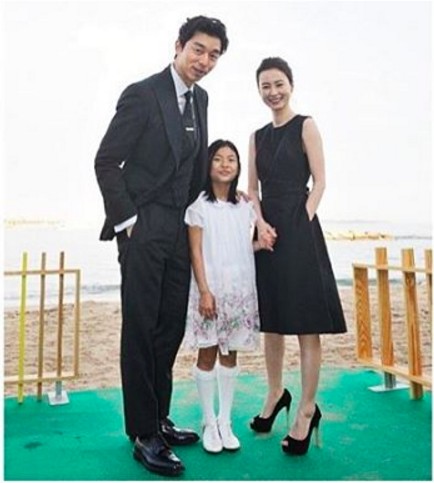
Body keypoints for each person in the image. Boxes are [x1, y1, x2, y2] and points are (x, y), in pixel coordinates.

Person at [94, 16, 229, 477]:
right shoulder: (142, 94)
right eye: (198, 50)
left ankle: (160, 418)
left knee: (169, 327)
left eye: (213, 55)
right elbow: (106, 161)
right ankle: (142, 433)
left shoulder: (201, 99)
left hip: (180, 228)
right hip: (144, 226)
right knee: (141, 328)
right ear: (178, 46)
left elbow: (193, 167)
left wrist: (223, 199)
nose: (204, 61)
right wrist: (129, 221)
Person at [247, 57, 347, 456]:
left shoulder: (306, 125)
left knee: (306, 323)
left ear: (291, 85)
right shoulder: (256, 136)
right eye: (265, 86)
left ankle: (306, 408)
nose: (273, 92)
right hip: (267, 232)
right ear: (259, 90)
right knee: (272, 322)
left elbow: (320, 182)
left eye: (279, 84)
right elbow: (252, 190)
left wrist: (300, 221)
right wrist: (259, 224)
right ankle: (275, 394)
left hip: (300, 230)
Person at [183, 139, 263, 454]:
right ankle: (208, 422)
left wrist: (260, 244)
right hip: (210, 291)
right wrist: (204, 291)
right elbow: (196, 252)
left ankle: (225, 421)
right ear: (208, 165)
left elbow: (242, 246)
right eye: (218, 159)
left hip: (238, 291)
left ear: (238, 166)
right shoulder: (198, 207)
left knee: (231, 356)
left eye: (231, 159)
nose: (225, 164)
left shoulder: (244, 207)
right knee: (207, 354)